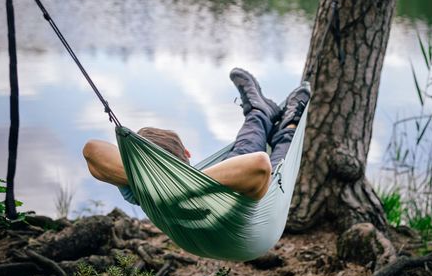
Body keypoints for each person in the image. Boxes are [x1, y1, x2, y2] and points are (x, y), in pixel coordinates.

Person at [82, 68, 310, 201]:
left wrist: (169, 184)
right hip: (256, 197)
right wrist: (184, 185)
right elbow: (260, 165)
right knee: (278, 161)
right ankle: (286, 122)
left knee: (241, 151)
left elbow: (91, 151)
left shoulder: (145, 194)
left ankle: (259, 112)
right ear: (187, 153)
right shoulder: (147, 190)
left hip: (220, 181)